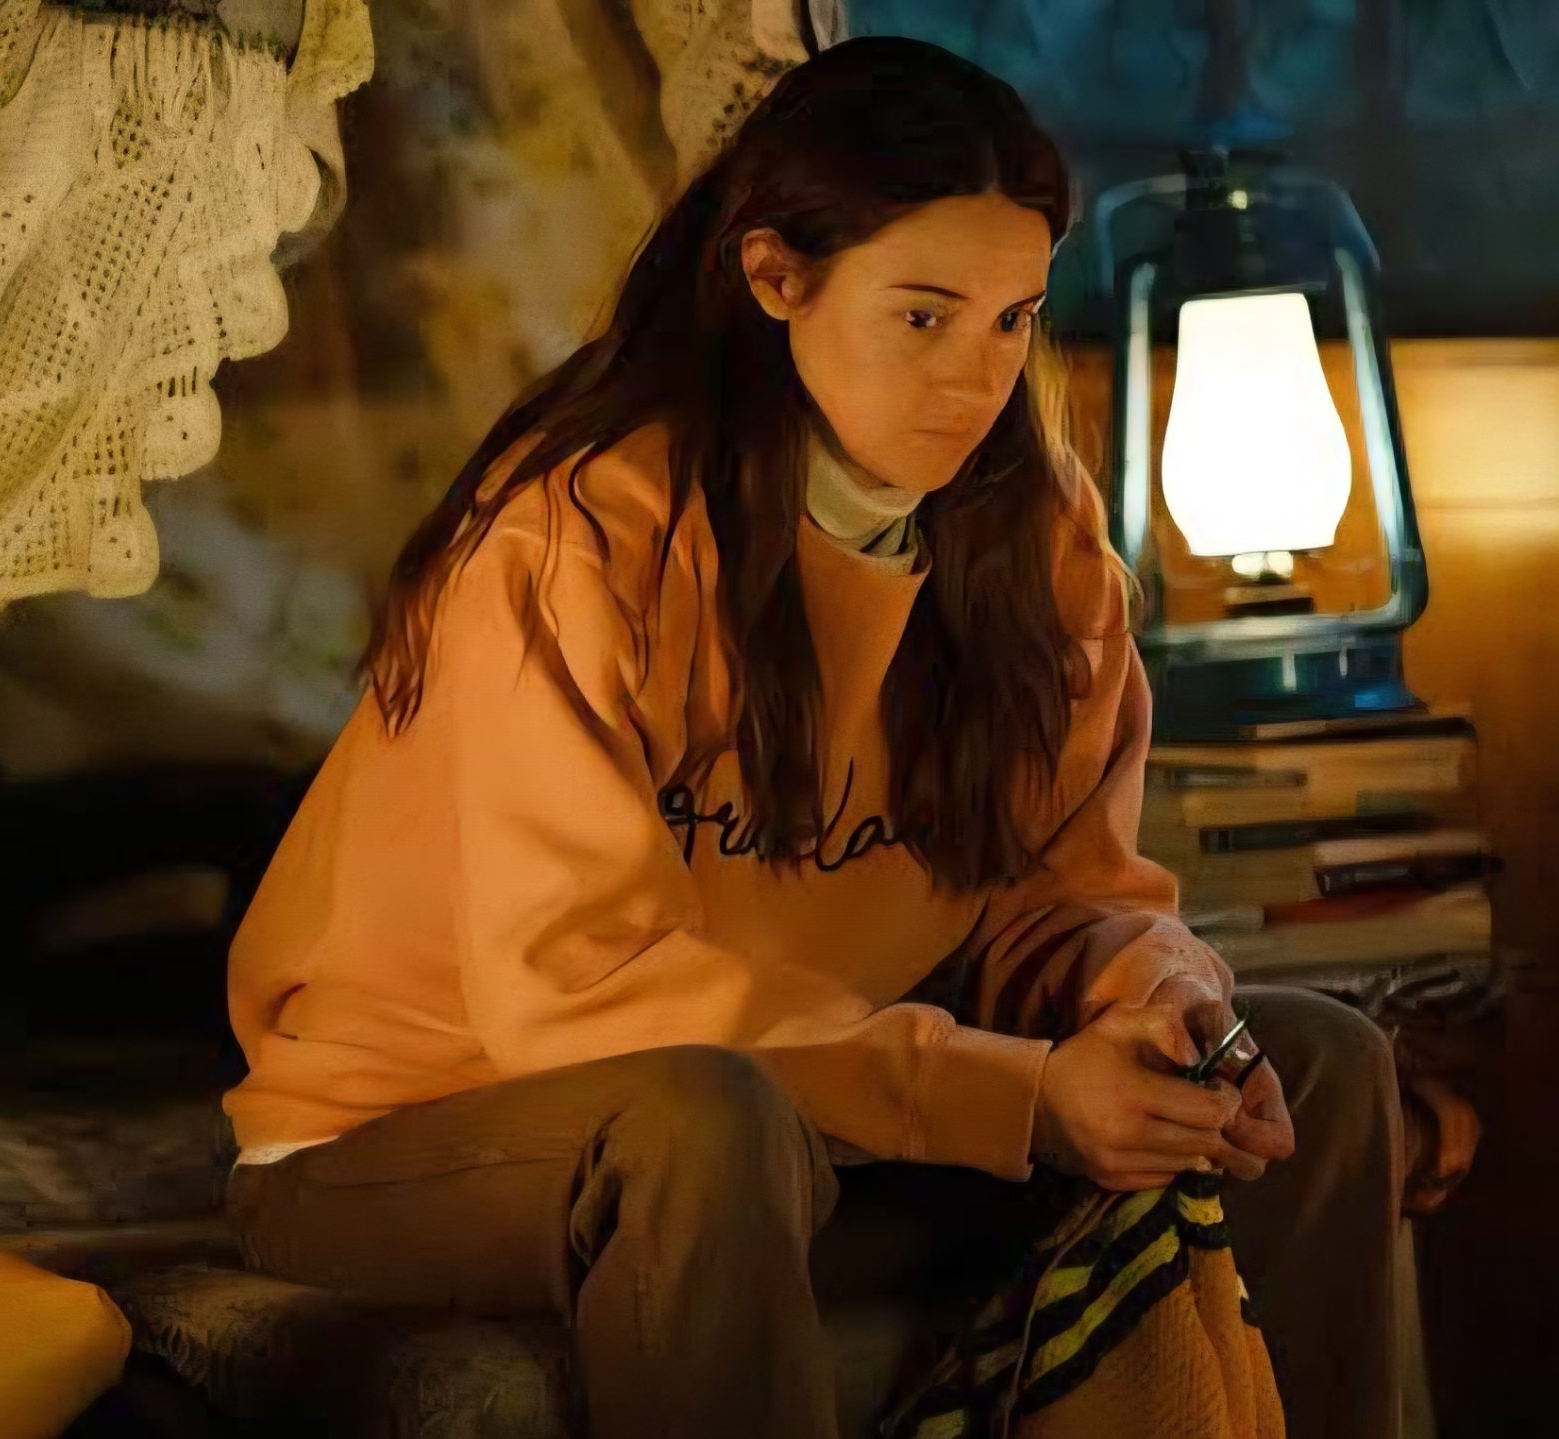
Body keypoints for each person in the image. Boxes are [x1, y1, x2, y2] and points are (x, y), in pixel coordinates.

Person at [219, 35, 1401, 1439]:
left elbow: (1060, 898)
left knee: (1316, 1061)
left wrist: (1153, 999)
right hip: (420, 1137)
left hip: (815, 1133)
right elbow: (581, 999)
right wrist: (1019, 1099)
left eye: (1013, 320)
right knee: (703, 1124)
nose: (976, 376)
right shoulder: (579, 537)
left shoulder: (1044, 540)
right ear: (776, 278)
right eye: (923, 315)